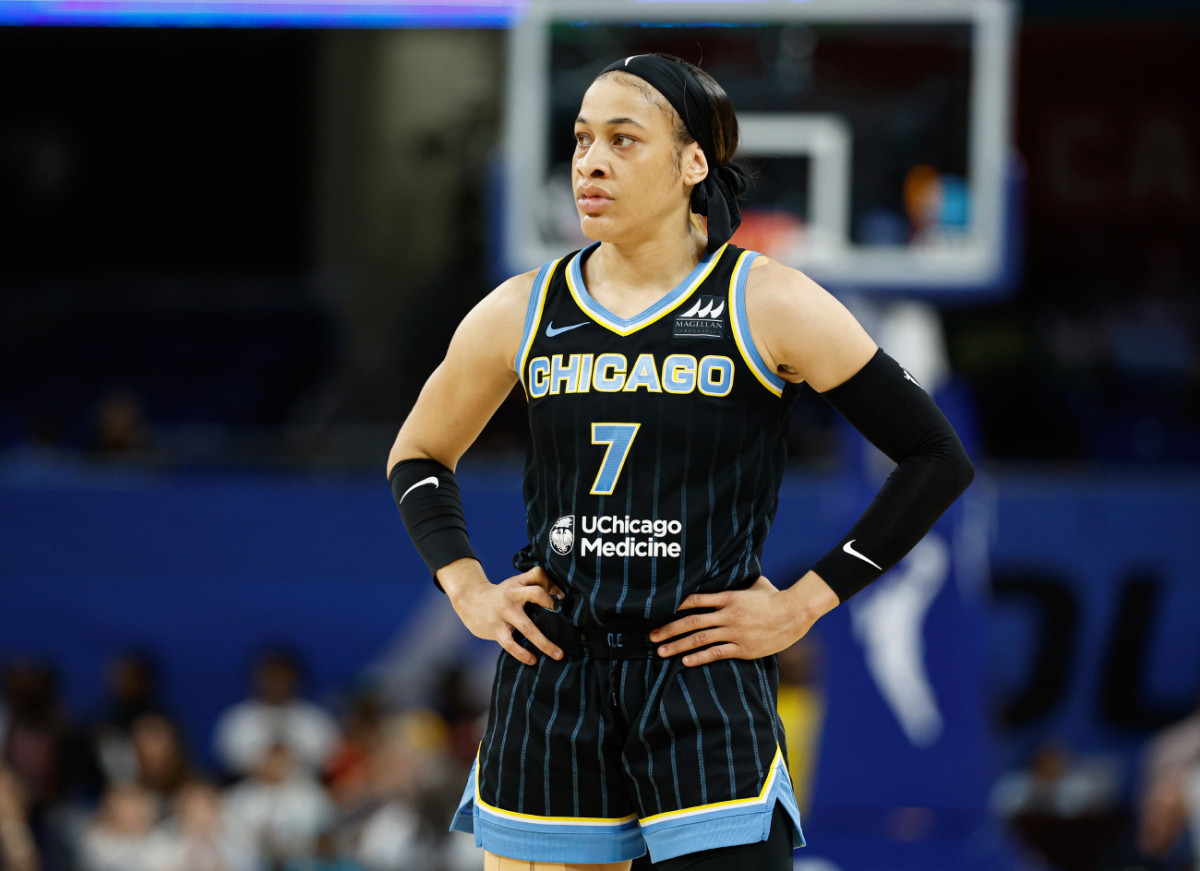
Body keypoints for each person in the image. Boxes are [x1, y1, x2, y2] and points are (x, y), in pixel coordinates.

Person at [386, 53, 974, 871]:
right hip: (556, 677)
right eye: (583, 139)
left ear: (693, 162)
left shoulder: (766, 301)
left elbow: (935, 456)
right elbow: (417, 453)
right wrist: (465, 586)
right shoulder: (522, 308)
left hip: (702, 674)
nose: (590, 160)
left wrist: (805, 603)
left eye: (623, 140)